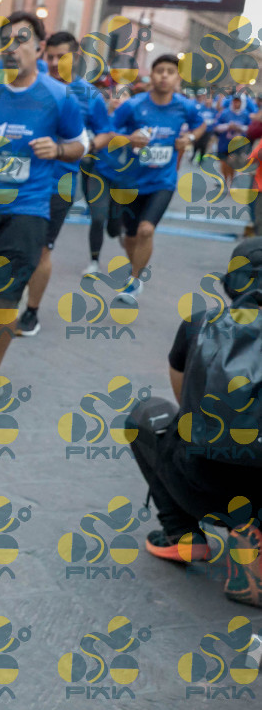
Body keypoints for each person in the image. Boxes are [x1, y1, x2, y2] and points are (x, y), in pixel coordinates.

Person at [0, 10, 86, 408]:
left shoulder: (58, 96)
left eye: (22, 40)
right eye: (6, 41)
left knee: (6, 298)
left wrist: (58, 149)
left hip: (28, 209)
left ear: (39, 48)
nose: (13, 48)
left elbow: (81, 145)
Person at [127, 237, 262, 593]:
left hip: (205, 486)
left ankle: (183, 535)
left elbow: (186, 403)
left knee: (145, 415)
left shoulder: (200, 324)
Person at [15, 29, 112, 335]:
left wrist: (85, 147)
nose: (56, 62)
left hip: (59, 182)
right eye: (51, 56)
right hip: (19, 177)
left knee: (43, 249)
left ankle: (31, 312)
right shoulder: (32, 86)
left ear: (77, 56)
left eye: (63, 56)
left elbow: (106, 132)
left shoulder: (89, 95)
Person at [96, 53, 206, 306]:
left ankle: (134, 281)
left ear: (177, 78)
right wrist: (129, 138)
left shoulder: (185, 106)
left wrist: (189, 139)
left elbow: (200, 126)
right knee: (131, 237)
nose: (164, 76)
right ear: (152, 76)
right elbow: (108, 132)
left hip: (162, 181)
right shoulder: (133, 106)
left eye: (170, 71)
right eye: (160, 70)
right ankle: (135, 266)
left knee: (146, 230)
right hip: (131, 182)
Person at [215, 90, 258, 190]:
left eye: (238, 101)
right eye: (234, 101)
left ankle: (231, 181)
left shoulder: (245, 114)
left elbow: (250, 128)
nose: (236, 103)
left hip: (237, 145)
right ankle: (226, 179)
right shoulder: (225, 113)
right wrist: (228, 126)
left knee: (232, 163)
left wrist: (240, 128)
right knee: (224, 163)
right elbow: (216, 126)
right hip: (224, 143)